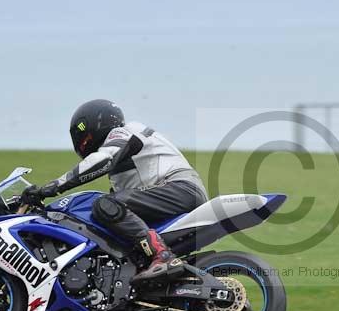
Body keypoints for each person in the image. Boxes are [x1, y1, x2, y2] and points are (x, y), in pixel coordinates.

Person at [22, 99, 207, 285]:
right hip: (173, 192)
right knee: (110, 215)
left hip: (180, 188)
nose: (82, 141)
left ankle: (163, 255)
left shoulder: (123, 132)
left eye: (82, 133)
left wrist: (53, 187)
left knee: (107, 204)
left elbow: (101, 160)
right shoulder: (122, 158)